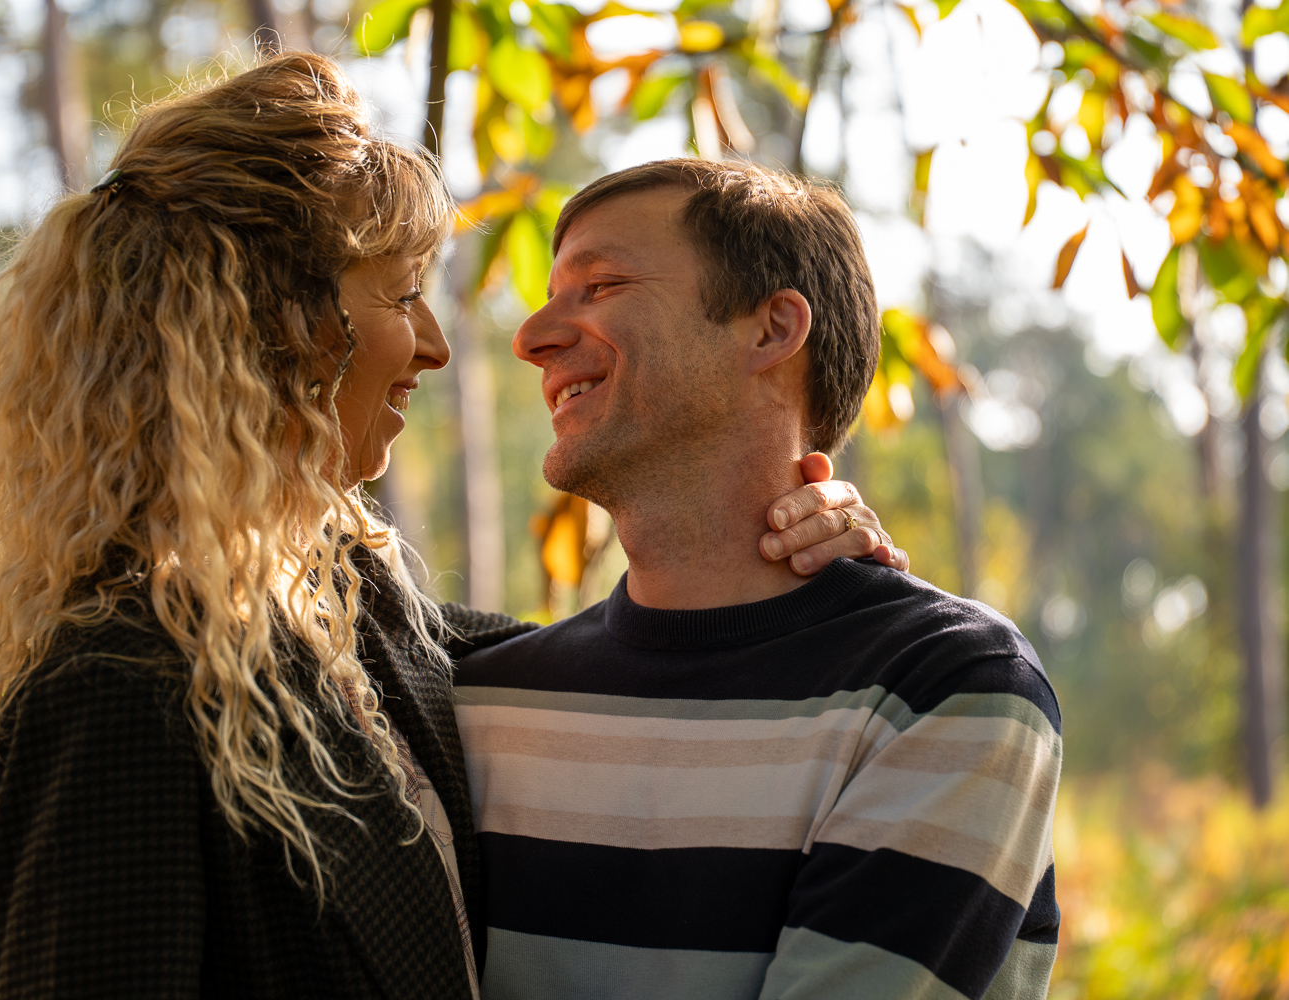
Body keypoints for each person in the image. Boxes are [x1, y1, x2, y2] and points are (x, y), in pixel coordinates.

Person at [0, 56, 900, 999]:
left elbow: (644, 661)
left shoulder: (363, 621)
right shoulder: (107, 697)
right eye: (401, 295)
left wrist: (801, 546)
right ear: (263, 321)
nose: (437, 345)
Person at [454, 159, 1062, 1000]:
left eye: (600, 287)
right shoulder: (477, 697)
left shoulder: (942, 688)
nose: (531, 336)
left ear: (773, 330)